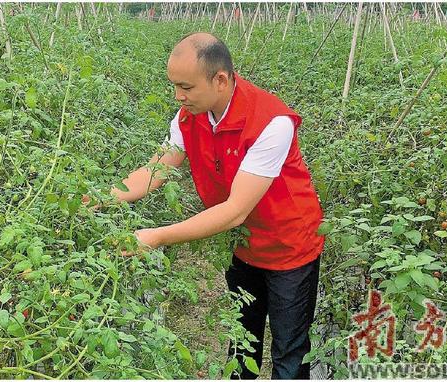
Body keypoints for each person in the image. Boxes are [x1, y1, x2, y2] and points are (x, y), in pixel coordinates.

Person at [95, 32, 325, 379]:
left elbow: (235, 210)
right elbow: (155, 171)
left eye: (185, 86)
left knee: (289, 353)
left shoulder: (271, 123)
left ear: (220, 79)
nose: (178, 96)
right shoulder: (190, 116)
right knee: (242, 340)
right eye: (174, 85)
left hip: (289, 247)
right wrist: (103, 197)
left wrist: (156, 236)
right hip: (242, 244)